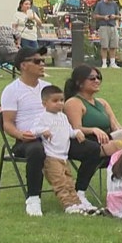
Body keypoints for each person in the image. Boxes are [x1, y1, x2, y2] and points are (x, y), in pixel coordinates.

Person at [0, 45, 103, 216]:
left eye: (43, 60)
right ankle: (33, 198)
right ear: (23, 65)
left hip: (57, 138)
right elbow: (7, 123)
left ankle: (79, 193)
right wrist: (20, 135)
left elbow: (60, 116)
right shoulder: (12, 90)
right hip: (29, 138)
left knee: (92, 149)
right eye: (37, 61)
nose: (42, 64)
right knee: (36, 150)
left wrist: (73, 132)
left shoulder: (48, 88)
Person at [63, 64, 122, 157]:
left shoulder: (102, 102)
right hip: (90, 142)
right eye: (92, 78)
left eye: (98, 77)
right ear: (79, 83)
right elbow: (76, 128)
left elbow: (115, 125)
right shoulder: (74, 102)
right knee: (119, 145)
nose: (97, 81)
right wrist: (93, 129)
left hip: (110, 137)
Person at [29, 85, 88, 214]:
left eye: (62, 100)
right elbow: (33, 130)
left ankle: (76, 203)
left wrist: (76, 132)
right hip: (51, 156)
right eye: (55, 101)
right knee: (60, 182)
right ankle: (68, 205)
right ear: (45, 103)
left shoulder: (63, 117)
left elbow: (68, 132)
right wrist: (43, 131)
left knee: (69, 181)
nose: (59, 104)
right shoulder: (43, 117)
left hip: (64, 156)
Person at [92, 0, 121, 69]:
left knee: (113, 45)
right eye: (109, 0)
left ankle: (112, 63)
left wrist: (114, 16)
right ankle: (104, 63)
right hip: (103, 26)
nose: (110, 2)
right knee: (104, 45)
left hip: (113, 26)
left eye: (111, 0)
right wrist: (103, 17)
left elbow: (119, 16)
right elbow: (95, 15)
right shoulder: (100, 4)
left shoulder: (114, 4)